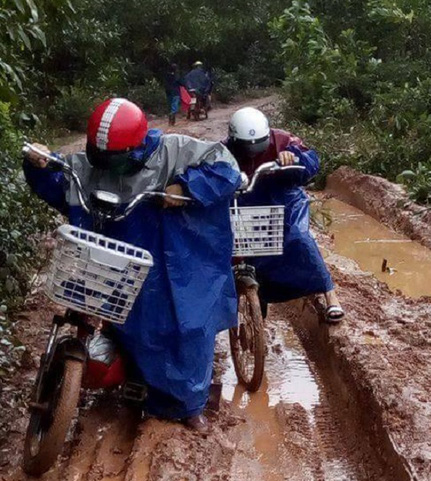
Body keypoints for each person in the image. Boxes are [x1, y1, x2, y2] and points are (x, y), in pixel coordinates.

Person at [23, 98, 242, 431]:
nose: (108, 166)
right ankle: (122, 371)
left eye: (117, 160)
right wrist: (38, 163)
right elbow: (62, 182)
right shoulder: (90, 164)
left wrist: (185, 187)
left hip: (168, 255)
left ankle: (186, 403)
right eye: (101, 158)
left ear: (138, 146)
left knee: (184, 326)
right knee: (120, 318)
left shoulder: (174, 151)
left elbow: (226, 169)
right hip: (114, 254)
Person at [224, 107, 344, 322]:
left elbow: (310, 161)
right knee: (241, 249)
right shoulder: (224, 151)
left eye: (258, 145)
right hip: (246, 203)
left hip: (284, 201)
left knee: (299, 239)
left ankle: (330, 295)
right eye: (245, 146)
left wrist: (293, 158)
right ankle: (252, 309)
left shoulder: (283, 140)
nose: (252, 151)